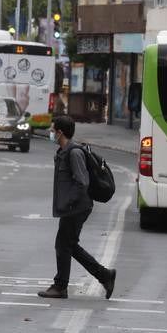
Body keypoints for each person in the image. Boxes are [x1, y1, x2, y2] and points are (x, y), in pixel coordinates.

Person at [38, 115, 116, 300]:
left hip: (77, 207)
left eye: (52, 130)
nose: (50, 133)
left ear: (60, 132)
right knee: (68, 245)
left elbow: (82, 182)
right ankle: (105, 275)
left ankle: (60, 286)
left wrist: (69, 202)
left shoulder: (74, 153)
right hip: (74, 207)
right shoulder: (64, 151)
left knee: (63, 244)